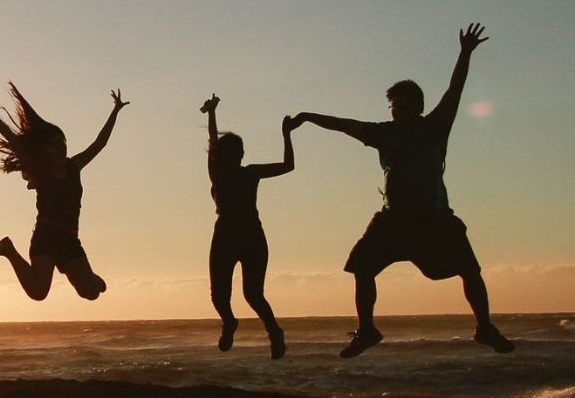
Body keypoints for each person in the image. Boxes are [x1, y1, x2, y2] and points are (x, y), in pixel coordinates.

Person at [286, 23, 514, 358]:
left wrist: (464, 53)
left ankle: (484, 327)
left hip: (434, 218)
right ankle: (367, 330)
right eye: (394, 105)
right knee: (362, 268)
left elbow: (455, 90)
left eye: (405, 104)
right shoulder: (382, 133)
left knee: (469, 269)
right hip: (393, 220)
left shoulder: (435, 125)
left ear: (419, 106)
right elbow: (343, 124)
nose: (399, 109)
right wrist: (307, 116)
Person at [0, 85, 122, 305]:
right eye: (54, 145)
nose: (60, 148)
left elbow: (100, 143)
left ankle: (83, 276)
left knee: (91, 293)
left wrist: (115, 111)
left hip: (70, 239)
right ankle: (8, 250)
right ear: (44, 149)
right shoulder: (40, 172)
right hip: (46, 237)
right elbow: (12, 139)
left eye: (63, 142)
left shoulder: (74, 166)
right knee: (38, 293)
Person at [196, 94, 291, 360]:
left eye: (237, 152)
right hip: (225, 235)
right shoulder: (217, 171)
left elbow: (288, 166)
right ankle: (229, 322)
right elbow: (213, 142)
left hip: (251, 236)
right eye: (228, 152)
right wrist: (212, 113)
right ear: (222, 155)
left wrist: (286, 135)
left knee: (253, 294)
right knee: (218, 297)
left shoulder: (250, 172)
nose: (233, 156)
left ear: (241, 155)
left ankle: (274, 332)